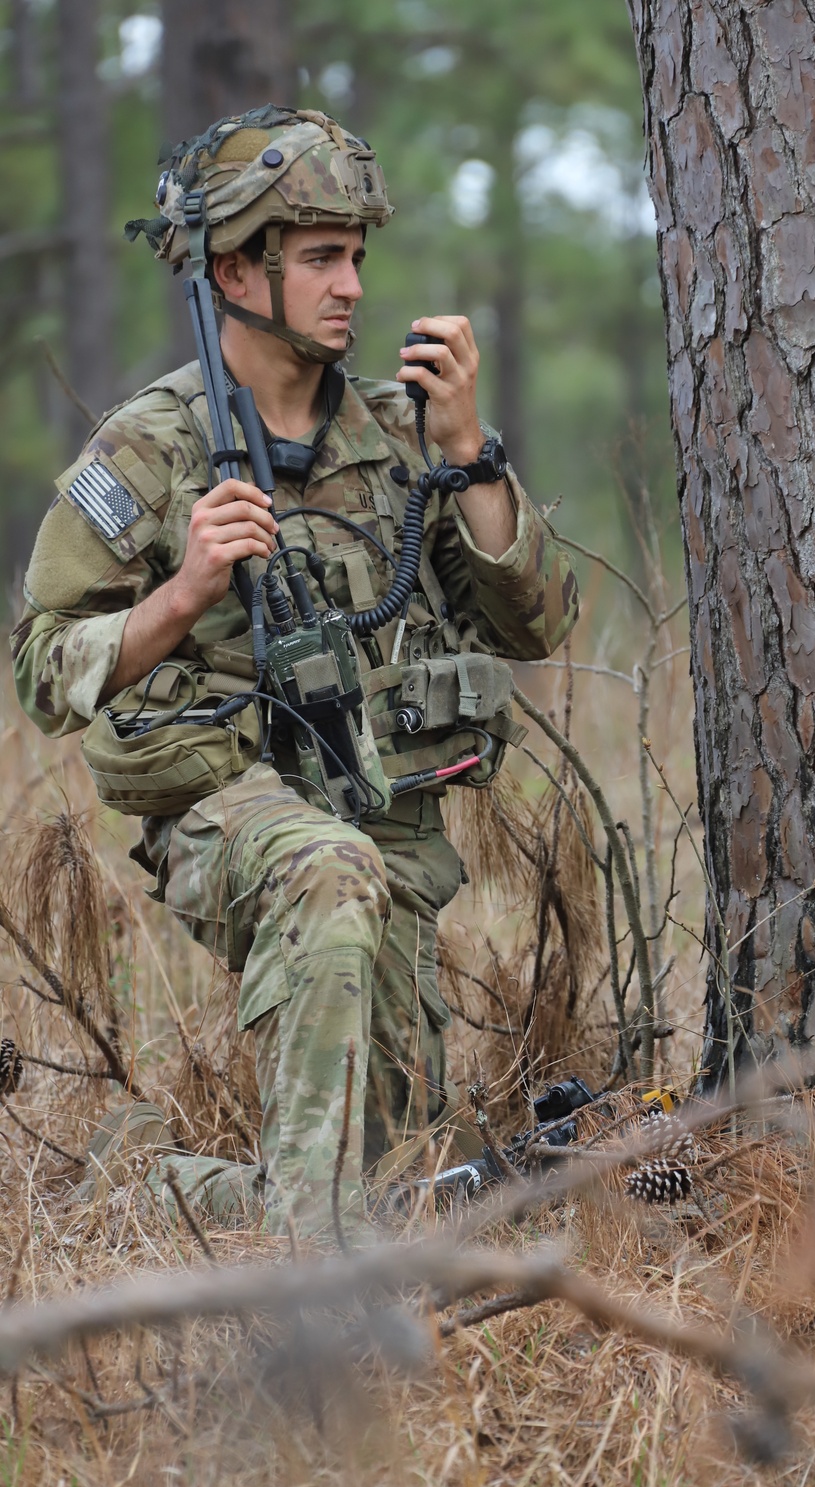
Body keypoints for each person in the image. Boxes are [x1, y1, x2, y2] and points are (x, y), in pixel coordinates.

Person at [11, 105, 578, 1236]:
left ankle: (154, 1181)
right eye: (320, 256)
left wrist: (469, 453)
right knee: (324, 871)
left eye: (357, 255)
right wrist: (183, 595)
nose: (352, 285)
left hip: (391, 841)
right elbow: (38, 670)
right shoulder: (148, 449)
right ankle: (309, 1281)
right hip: (230, 815)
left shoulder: (404, 435)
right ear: (235, 269)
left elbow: (536, 624)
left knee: (390, 1184)